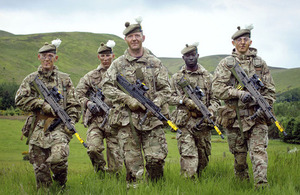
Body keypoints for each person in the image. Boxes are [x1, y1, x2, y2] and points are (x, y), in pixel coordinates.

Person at [101, 17, 170, 188]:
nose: (134, 39)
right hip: (127, 121)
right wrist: (128, 99)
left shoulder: (155, 63)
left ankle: (155, 190)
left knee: (157, 160)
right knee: (133, 166)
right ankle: (135, 190)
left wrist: (156, 102)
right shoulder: (117, 64)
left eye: (137, 35)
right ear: (126, 40)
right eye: (130, 36)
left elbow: (167, 89)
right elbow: (106, 87)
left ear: (143, 38)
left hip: (152, 120)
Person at [212, 25, 276, 189]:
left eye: (245, 39)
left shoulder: (260, 63)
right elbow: (217, 89)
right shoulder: (226, 64)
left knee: (258, 152)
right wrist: (238, 94)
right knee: (239, 158)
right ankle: (241, 187)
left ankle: (261, 186)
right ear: (233, 43)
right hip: (235, 118)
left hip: (258, 117)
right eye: (239, 40)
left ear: (250, 41)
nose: (242, 42)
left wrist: (265, 104)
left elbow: (270, 90)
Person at [15, 39, 81, 189]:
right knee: (40, 170)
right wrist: (41, 104)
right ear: (38, 57)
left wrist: (71, 121)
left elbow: (75, 105)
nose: (47, 59)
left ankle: (61, 186)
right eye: (43, 56)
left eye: (50, 55)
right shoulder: (31, 79)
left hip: (59, 127)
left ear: (55, 58)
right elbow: (19, 99)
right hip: (37, 128)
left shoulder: (65, 79)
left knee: (59, 159)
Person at [169, 43, 220, 178]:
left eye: (193, 55)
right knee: (188, 157)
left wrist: (211, 110)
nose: (190, 58)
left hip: (203, 123)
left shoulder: (208, 77)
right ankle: (188, 185)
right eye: (187, 56)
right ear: (183, 58)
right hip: (184, 123)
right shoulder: (176, 78)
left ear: (197, 55)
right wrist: (184, 101)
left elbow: (216, 100)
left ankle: (200, 184)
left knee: (203, 161)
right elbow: (169, 97)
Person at [76, 40, 123, 175]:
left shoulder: (119, 75)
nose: (105, 58)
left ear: (113, 56)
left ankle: (114, 180)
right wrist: (88, 103)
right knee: (93, 149)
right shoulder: (91, 76)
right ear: (99, 57)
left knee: (116, 160)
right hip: (96, 120)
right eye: (102, 56)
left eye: (108, 55)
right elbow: (77, 93)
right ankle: (101, 173)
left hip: (115, 120)